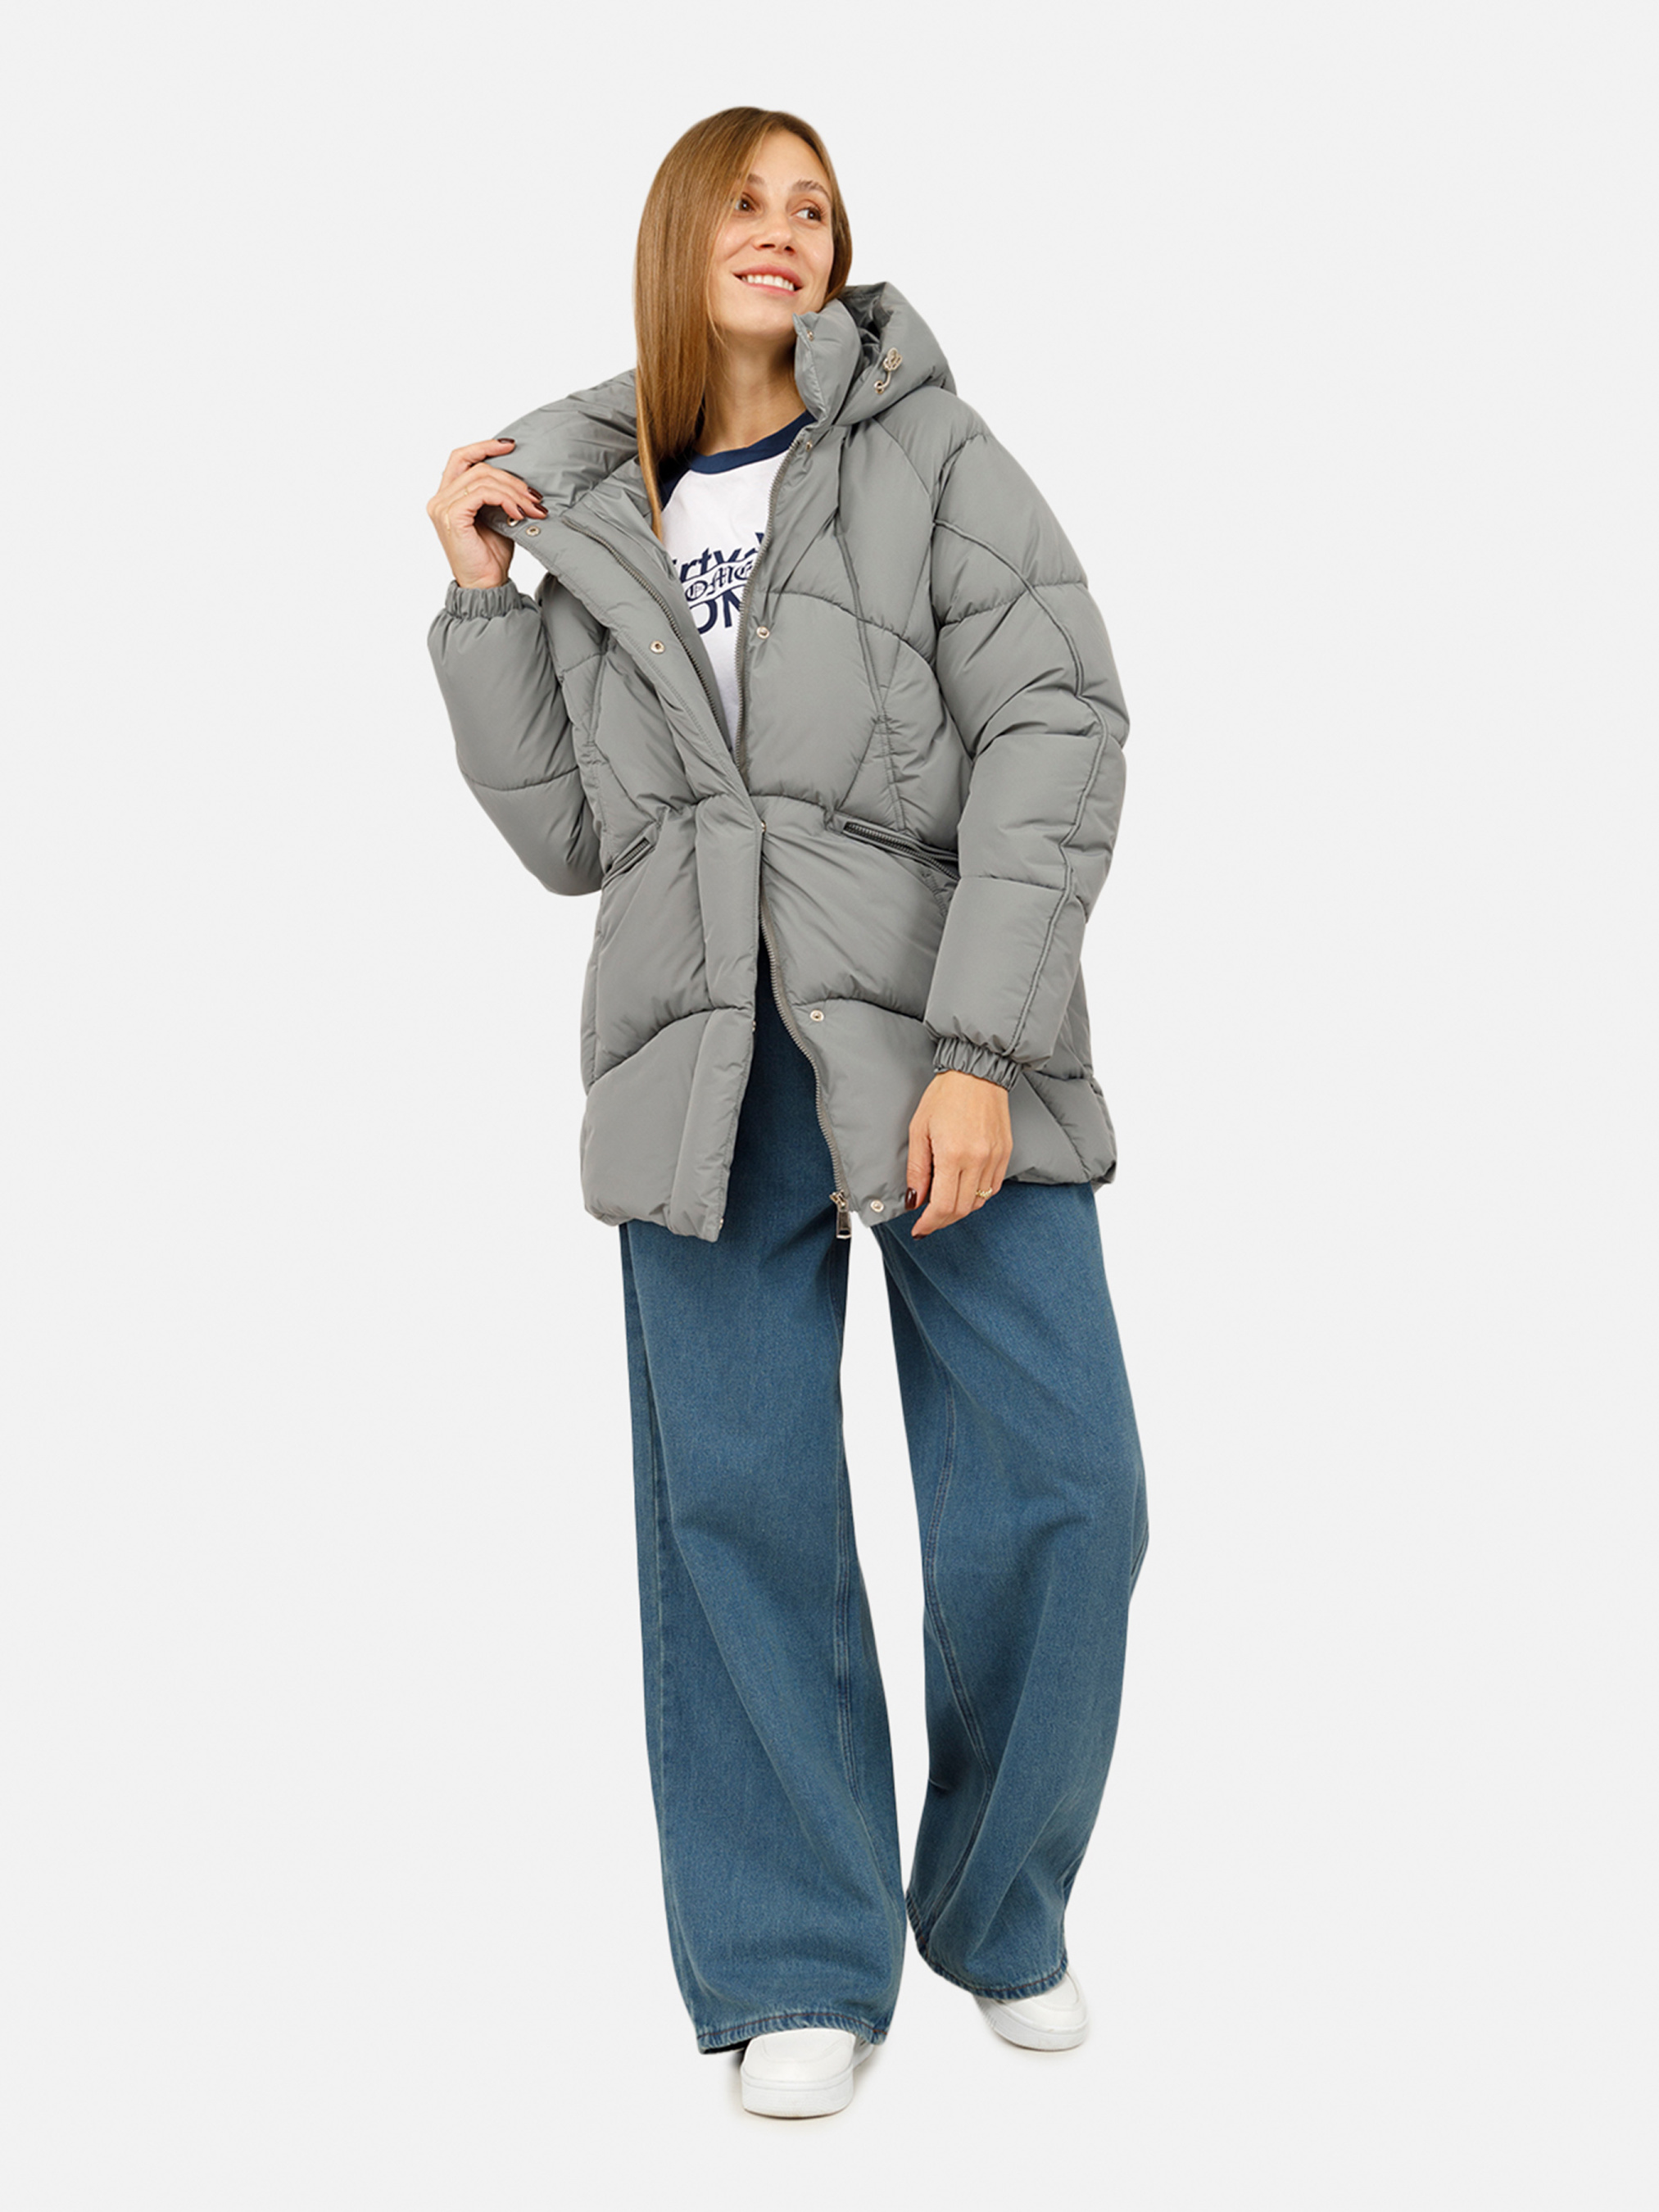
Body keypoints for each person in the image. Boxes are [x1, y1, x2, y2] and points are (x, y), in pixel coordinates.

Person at [425, 106, 1149, 2120]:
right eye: (744, 202)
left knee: (1066, 1484)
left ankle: (994, 1902)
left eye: (811, 206)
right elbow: (576, 841)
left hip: (930, 1029)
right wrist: (484, 604)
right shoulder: (589, 502)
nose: (783, 232)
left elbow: (1056, 723)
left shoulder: (925, 449)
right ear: (678, 237)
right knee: (736, 1504)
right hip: (695, 1043)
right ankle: (791, 1959)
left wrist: (981, 1051)